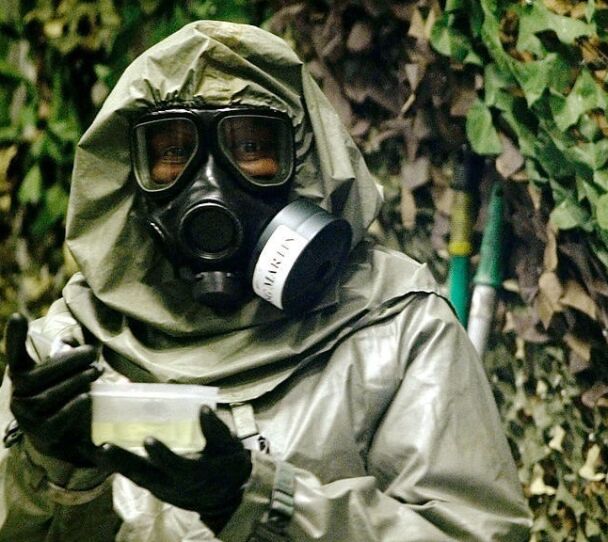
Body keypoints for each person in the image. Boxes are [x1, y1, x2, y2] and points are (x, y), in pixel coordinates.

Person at [0, 20, 531, 541]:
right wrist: (47, 470)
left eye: (249, 149)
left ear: (305, 164)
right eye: (171, 154)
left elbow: (472, 532)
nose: (208, 187)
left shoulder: (394, 329)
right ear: (127, 179)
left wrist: (260, 501)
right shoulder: (71, 353)